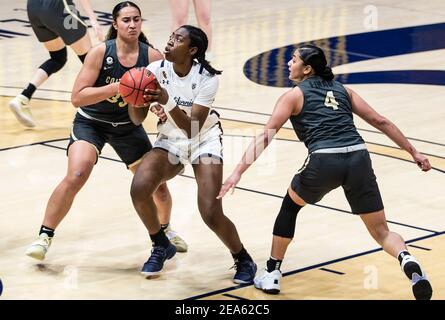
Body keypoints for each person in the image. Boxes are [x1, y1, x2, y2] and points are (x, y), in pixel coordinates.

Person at [217, 44, 433, 300]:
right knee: (381, 231)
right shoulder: (344, 90)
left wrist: (237, 172)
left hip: (324, 159)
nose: (288, 63)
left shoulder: (293, 95)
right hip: (359, 157)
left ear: (307, 69)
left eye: (294, 59)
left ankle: (272, 272)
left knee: (290, 207)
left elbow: (266, 135)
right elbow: (380, 121)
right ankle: (405, 257)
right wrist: (413, 152)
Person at [25, 1, 188, 262]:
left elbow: (164, 93)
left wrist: (159, 106)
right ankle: (44, 236)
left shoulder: (153, 57)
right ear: (115, 24)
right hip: (92, 122)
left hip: (128, 127)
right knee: (77, 173)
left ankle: (165, 230)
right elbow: (77, 98)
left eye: (136, 19)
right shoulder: (100, 52)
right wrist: (119, 87)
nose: (132, 24)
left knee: (157, 187)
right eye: (126, 20)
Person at [129, 25, 257, 282]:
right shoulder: (154, 71)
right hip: (170, 139)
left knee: (210, 211)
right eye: (170, 37)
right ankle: (160, 244)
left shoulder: (208, 78)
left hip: (203, 139)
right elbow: (135, 119)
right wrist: (135, 96)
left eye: (177, 40)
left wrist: (166, 100)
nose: (169, 43)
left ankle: (243, 258)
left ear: (193, 50)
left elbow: (193, 128)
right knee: (139, 188)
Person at [9, 0, 104, 128]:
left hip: (33, 8)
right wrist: (93, 20)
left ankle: (23, 97)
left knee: (57, 58)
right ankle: (105, 110)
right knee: (90, 61)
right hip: (57, 7)